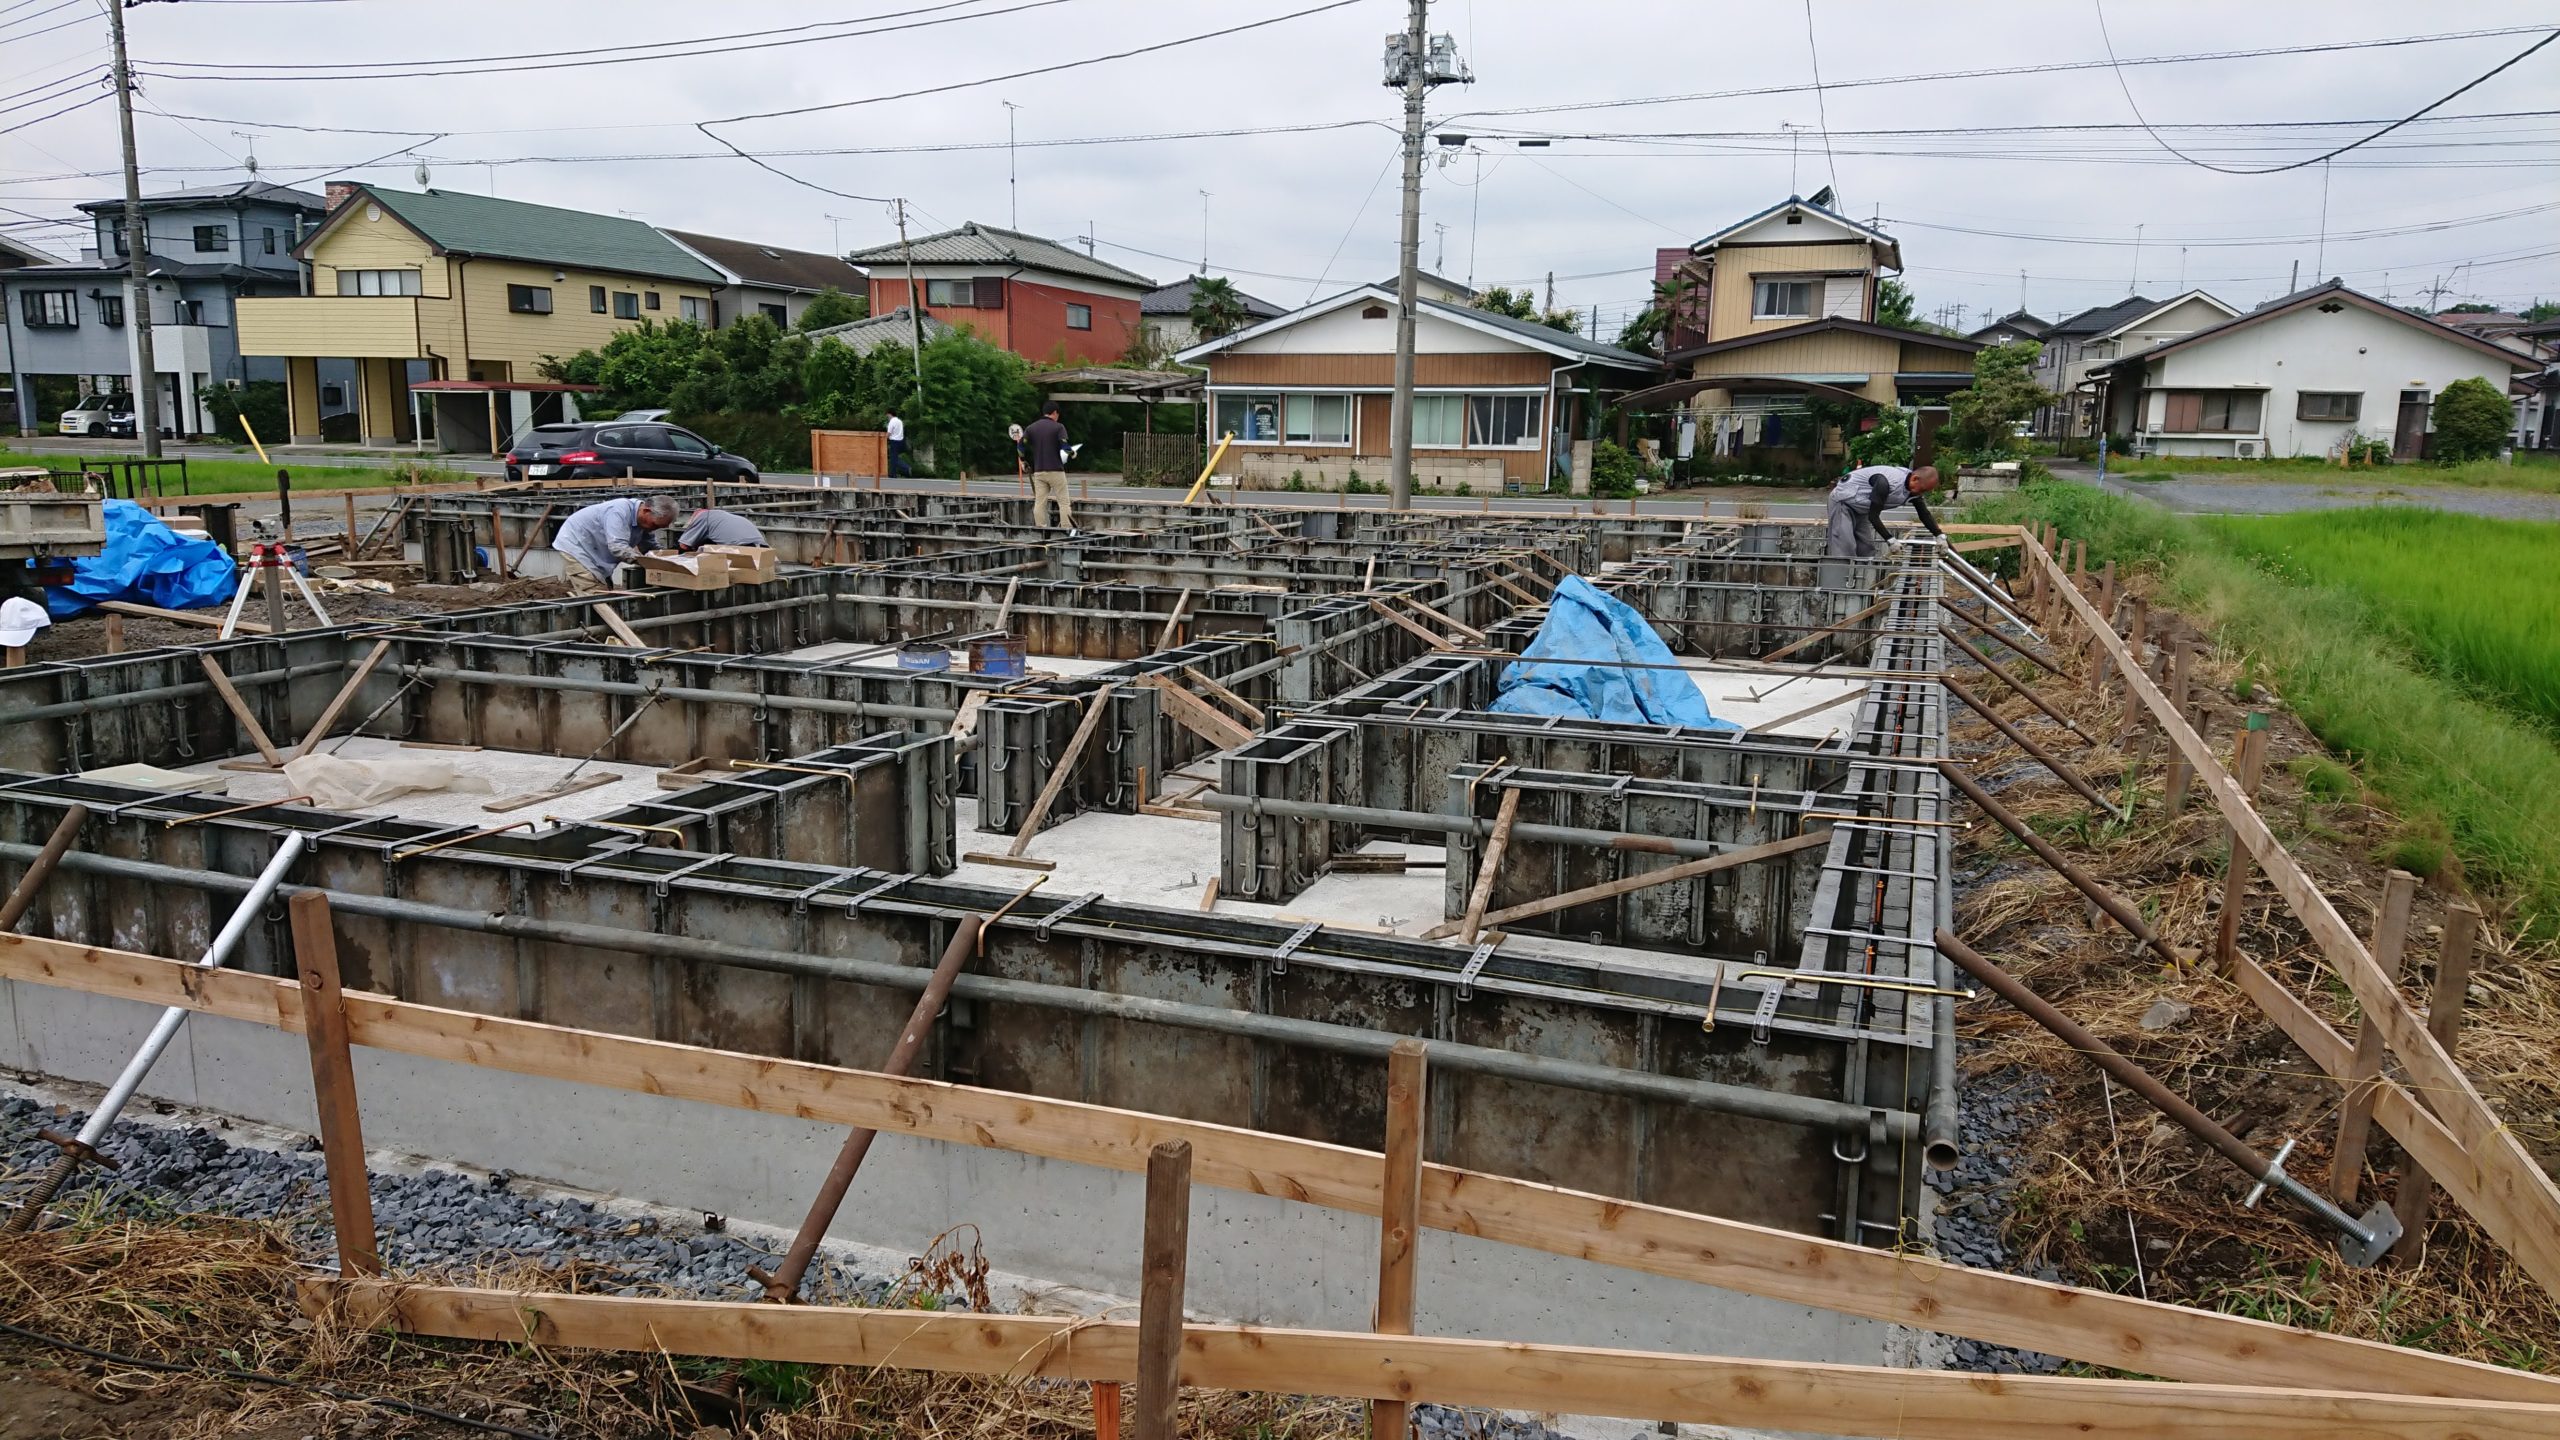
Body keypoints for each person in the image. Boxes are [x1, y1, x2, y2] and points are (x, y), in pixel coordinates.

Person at [553, 495, 675, 595]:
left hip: (595, 549)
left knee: (603, 587)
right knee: (594, 594)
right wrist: (645, 561)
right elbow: (617, 547)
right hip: (576, 545)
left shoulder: (643, 521)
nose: (654, 529)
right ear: (646, 511)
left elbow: (650, 546)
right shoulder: (618, 512)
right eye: (654, 525)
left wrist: (669, 559)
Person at [1824, 463, 1943, 560]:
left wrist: (1939, 535)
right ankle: (1839, 580)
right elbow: (1873, 516)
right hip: (1843, 502)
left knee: (1866, 548)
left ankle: (1865, 579)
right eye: (1922, 490)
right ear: (1915, 479)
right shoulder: (1885, 483)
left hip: (1860, 508)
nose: (1921, 493)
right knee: (1844, 547)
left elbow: (1924, 514)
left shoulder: (1912, 489)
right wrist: (1890, 540)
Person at [1024, 403, 1072, 528]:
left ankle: (1041, 528)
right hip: (1056, 471)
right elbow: (1065, 447)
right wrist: (1072, 453)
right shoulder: (1058, 427)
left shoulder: (1031, 428)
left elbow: (1020, 445)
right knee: (1064, 502)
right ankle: (1066, 528)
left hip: (1039, 472)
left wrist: (1023, 460)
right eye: (1058, 415)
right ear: (1055, 413)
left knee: (1040, 503)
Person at [674, 506, 766, 552]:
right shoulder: (720, 516)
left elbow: (684, 546)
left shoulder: (703, 517)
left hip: (740, 550)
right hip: (764, 549)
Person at [885, 409, 911, 478]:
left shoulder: (892, 422)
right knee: (894, 458)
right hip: (901, 441)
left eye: (887, 415)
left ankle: (906, 468)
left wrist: (884, 439)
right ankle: (892, 474)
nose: (887, 416)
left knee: (894, 458)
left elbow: (888, 433)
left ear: (890, 414)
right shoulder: (900, 421)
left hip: (894, 441)